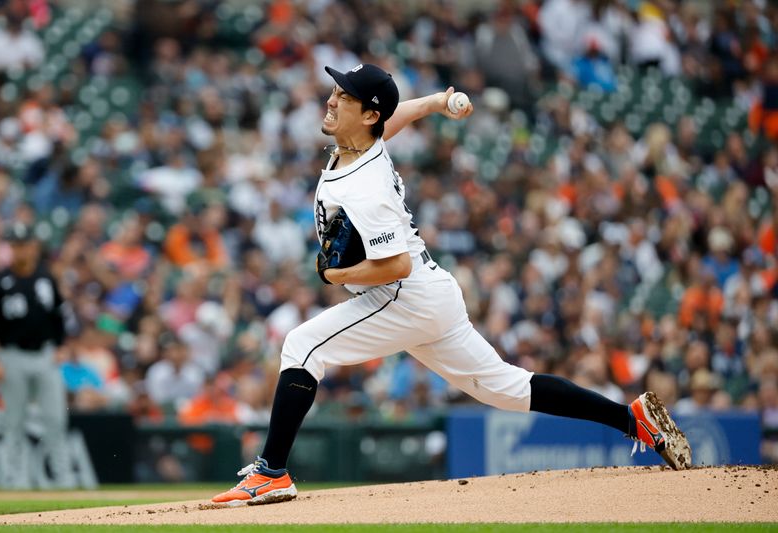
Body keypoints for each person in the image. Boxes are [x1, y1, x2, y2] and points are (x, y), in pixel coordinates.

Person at [211, 63, 691, 507]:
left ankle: (272, 471)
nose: (332, 100)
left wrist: (336, 274)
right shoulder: (361, 143)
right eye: (335, 90)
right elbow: (394, 120)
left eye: (345, 95)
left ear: (368, 113)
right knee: (507, 388)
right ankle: (634, 422)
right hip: (428, 293)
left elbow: (395, 265)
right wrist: (437, 103)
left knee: (303, 346)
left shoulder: (366, 187)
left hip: (403, 293)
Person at [0, 222, 75, 489]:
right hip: (12, 356)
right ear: (11, 248)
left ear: (33, 246)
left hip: (45, 355)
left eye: (25, 244)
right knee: (13, 421)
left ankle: (63, 478)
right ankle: (12, 481)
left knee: (56, 419)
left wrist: (61, 345)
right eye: (17, 245)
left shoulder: (46, 277)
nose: (22, 250)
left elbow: (59, 315)